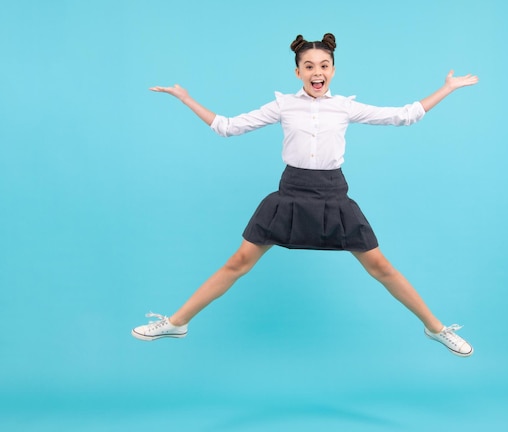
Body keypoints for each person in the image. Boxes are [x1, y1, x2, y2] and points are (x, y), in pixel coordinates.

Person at [132, 33, 478, 357]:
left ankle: (436, 328)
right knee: (238, 263)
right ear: (297, 71)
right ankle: (176, 323)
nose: (317, 72)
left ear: (333, 70)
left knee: (381, 267)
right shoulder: (283, 106)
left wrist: (446, 88)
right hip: (290, 194)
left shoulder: (344, 106)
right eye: (309, 66)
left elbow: (405, 116)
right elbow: (227, 126)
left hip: (333, 196)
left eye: (324, 66)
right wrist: (186, 98)